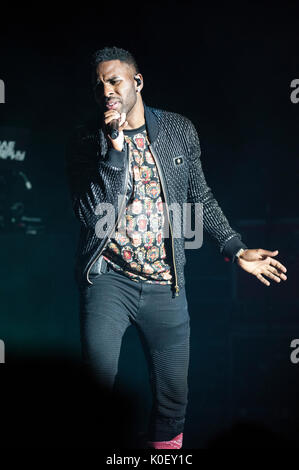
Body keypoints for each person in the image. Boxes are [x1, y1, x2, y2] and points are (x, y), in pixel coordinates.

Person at [65, 46, 287, 449]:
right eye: (98, 86)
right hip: (108, 282)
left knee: (172, 401)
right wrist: (114, 153)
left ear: (137, 82)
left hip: (166, 282)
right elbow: (88, 212)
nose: (106, 91)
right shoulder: (85, 139)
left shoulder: (178, 130)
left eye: (114, 81)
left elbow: (198, 196)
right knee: (96, 392)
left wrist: (235, 248)